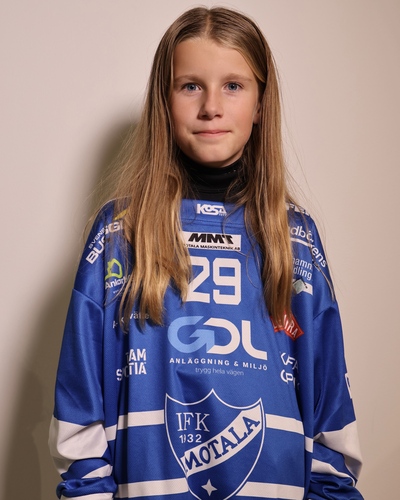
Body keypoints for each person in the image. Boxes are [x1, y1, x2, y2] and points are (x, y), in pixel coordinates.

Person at [49, 6, 363, 500]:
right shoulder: (120, 234)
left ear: (261, 104)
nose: (211, 106)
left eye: (233, 86)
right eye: (190, 85)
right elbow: (80, 420)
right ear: (164, 100)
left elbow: (331, 427)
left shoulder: (295, 238)